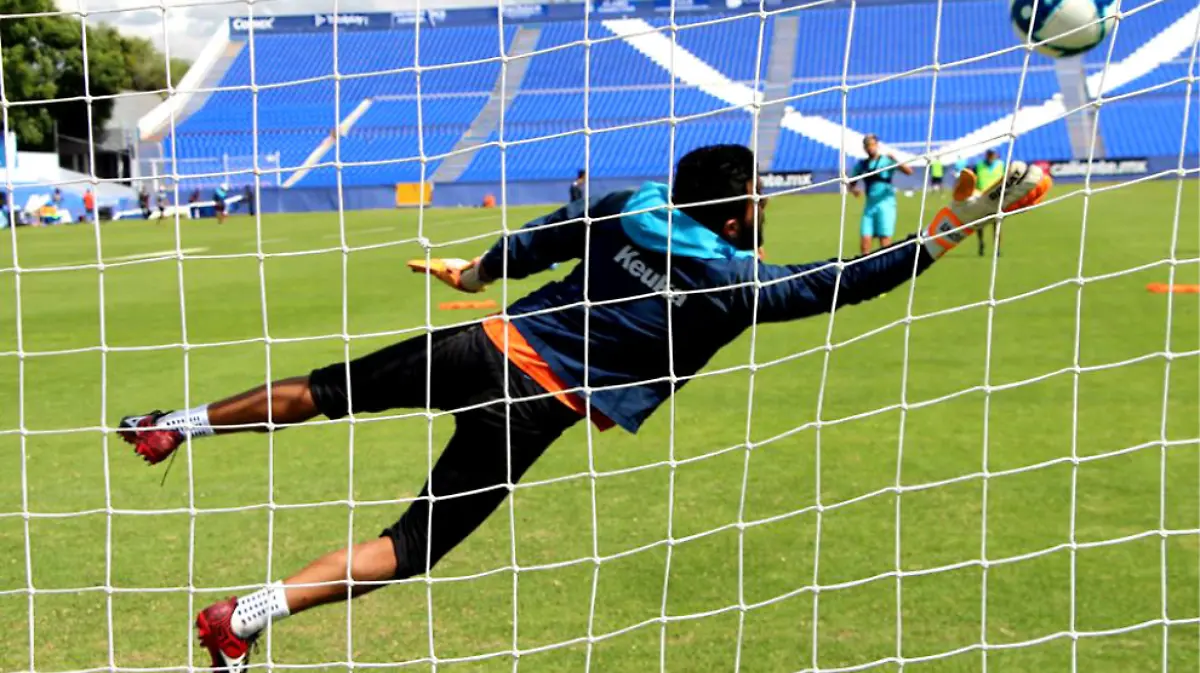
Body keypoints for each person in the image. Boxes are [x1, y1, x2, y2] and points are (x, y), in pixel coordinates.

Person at [116, 144, 1052, 672]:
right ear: (734, 218)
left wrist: (471, 269)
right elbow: (843, 283)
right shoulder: (735, 284)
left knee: (321, 392)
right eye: (758, 199)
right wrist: (955, 228)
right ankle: (241, 617)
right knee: (410, 547)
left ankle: (173, 426)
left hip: (476, 343)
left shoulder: (633, 204)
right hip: (530, 410)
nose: (765, 207)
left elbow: (538, 241)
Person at [849, 134, 913, 255]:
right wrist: (854, 190)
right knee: (865, 241)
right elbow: (852, 183)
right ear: (864, 148)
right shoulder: (862, 165)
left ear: (877, 146)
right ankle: (865, 270)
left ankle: (885, 269)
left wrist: (895, 160)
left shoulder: (886, 161)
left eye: (872, 145)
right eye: (867, 145)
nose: (870, 148)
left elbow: (909, 172)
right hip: (869, 206)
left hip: (886, 205)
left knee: (884, 241)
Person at [974, 149, 1006, 257]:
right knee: (979, 225)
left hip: (996, 199)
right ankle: (981, 243)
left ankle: (997, 249)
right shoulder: (979, 166)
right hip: (981, 198)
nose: (991, 157)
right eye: (989, 155)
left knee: (996, 225)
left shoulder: (1001, 165)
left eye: (993, 155)